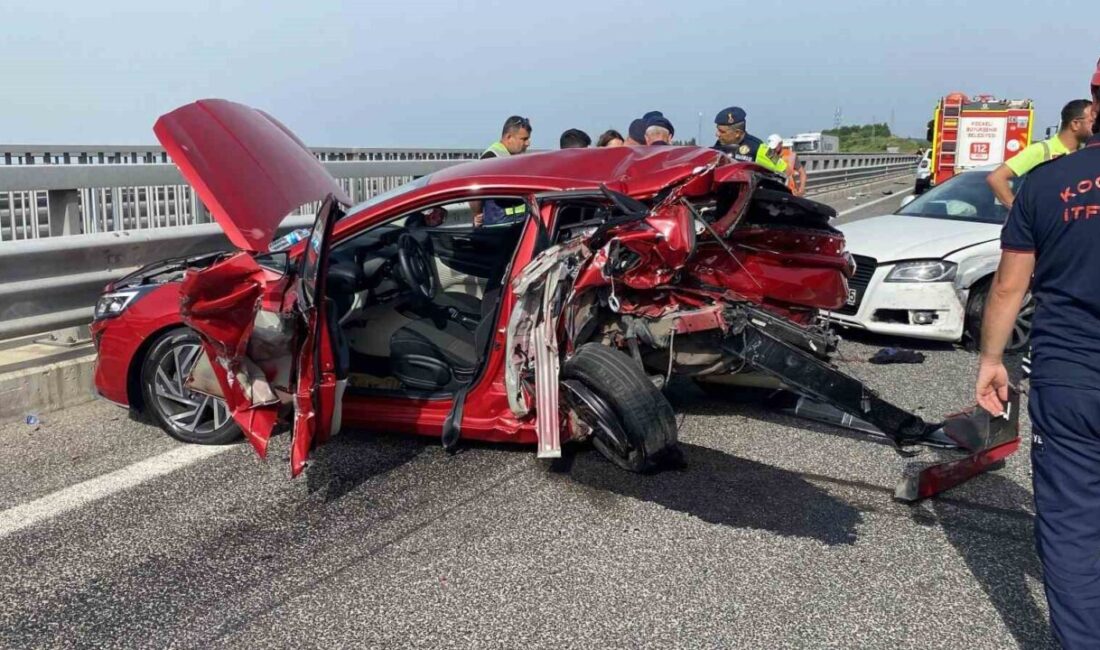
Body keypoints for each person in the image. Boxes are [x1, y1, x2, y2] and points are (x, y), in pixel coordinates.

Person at [975, 57, 1100, 648]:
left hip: (1070, 374)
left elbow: (1008, 288)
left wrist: (990, 361)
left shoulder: (1048, 183)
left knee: (1073, 527)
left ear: (1094, 108)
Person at [987, 99, 1095, 209]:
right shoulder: (1042, 150)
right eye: (1093, 121)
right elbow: (996, 178)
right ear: (1075, 124)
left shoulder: (1084, 154)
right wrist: (1018, 212)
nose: (1096, 126)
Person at [474, 116, 532, 226]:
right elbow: (474, 190)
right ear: (509, 137)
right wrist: (477, 214)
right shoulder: (491, 157)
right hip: (500, 224)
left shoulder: (513, 157)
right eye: (524, 139)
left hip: (516, 221)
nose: (528, 143)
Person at [712, 106, 787, 175]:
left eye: (722, 131)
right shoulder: (718, 146)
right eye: (717, 130)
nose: (717, 134)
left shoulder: (759, 148)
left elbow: (784, 170)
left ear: (737, 133)